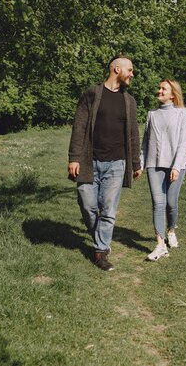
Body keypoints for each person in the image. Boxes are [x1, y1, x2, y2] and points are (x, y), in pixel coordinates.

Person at [68, 55, 142, 271]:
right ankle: (99, 237)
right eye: (130, 70)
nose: (132, 74)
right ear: (116, 69)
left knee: (108, 210)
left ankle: (101, 251)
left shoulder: (129, 101)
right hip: (90, 161)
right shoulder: (92, 94)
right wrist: (74, 157)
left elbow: (133, 134)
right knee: (88, 205)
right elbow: (79, 126)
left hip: (117, 164)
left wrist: (135, 163)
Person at [140, 79, 186, 261]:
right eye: (159, 88)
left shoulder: (182, 114)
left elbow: (183, 142)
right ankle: (160, 245)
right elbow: (145, 143)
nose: (159, 91)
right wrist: (141, 163)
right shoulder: (151, 114)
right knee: (158, 203)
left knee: (171, 202)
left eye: (164, 89)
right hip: (154, 164)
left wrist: (176, 166)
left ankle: (171, 230)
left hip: (175, 165)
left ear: (173, 94)